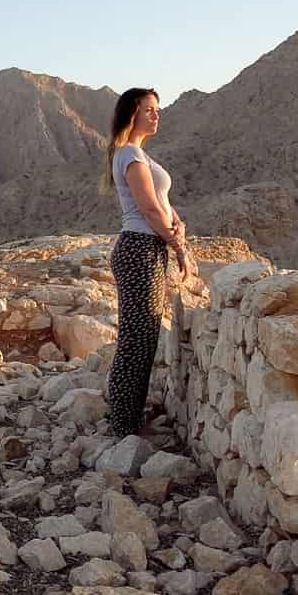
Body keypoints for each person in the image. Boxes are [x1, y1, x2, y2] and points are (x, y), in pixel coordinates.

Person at [103, 86, 191, 439]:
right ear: (132, 113)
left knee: (144, 336)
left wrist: (178, 226)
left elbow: (163, 203)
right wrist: (179, 246)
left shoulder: (138, 155)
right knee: (136, 340)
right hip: (140, 248)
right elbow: (150, 208)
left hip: (148, 248)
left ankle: (130, 416)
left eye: (157, 109)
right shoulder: (129, 155)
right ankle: (125, 425)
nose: (157, 115)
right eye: (150, 109)